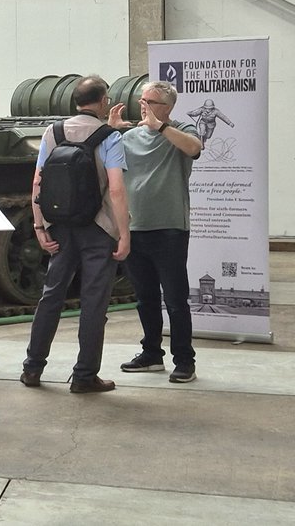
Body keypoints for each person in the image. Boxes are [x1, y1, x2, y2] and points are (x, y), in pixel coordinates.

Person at [22, 75, 130, 394]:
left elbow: (38, 182)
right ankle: (84, 375)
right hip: (98, 228)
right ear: (103, 102)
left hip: (60, 227)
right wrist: (124, 233)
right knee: (94, 301)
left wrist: (39, 226)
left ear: (75, 101)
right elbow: (116, 189)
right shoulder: (109, 137)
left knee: (51, 295)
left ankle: (32, 368)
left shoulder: (53, 132)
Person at [114, 81, 203, 383]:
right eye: (141, 100)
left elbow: (194, 148)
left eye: (150, 101)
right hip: (135, 228)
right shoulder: (129, 136)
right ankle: (151, 353)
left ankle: (185, 361)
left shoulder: (181, 129)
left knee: (176, 300)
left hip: (169, 230)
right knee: (145, 298)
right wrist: (109, 129)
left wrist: (160, 127)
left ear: (167, 107)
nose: (143, 105)